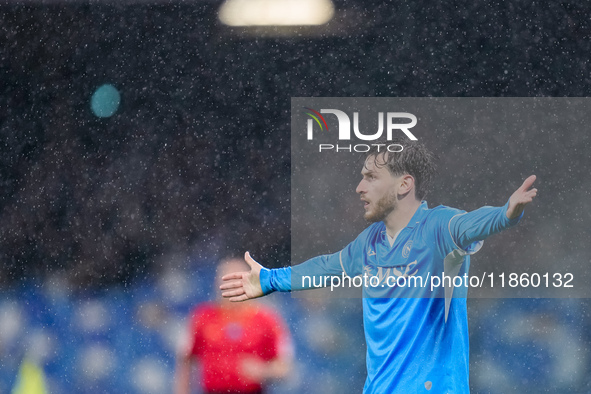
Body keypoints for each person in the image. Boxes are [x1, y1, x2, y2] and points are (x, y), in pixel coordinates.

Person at [220, 140, 538, 393]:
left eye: (371, 177)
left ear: (403, 185)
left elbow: (469, 224)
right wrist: (270, 279)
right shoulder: (371, 242)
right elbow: (328, 266)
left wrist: (506, 214)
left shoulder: (437, 228)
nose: (360, 187)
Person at [175, 258, 294, 394]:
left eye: (237, 279)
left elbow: (285, 367)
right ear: (216, 282)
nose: (232, 285)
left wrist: (263, 371)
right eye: (226, 279)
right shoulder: (201, 317)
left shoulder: (267, 320)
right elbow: (185, 359)